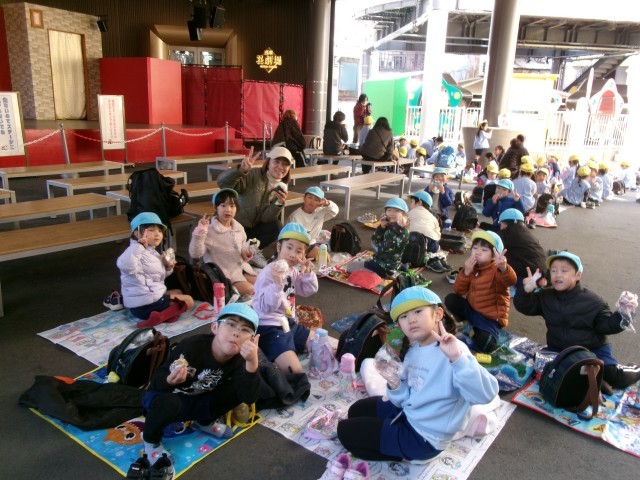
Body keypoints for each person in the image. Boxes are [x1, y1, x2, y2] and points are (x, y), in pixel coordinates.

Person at [337, 287, 499, 462]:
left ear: (437, 314)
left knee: (345, 432)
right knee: (355, 410)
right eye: (403, 316)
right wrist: (394, 382)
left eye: (418, 311)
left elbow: (485, 395)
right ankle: (394, 435)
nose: (411, 320)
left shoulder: (454, 351)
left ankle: (407, 456)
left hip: (424, 438)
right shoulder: (414, 349)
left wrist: (457, 359)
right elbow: (404, 398)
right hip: (408, 413)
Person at [141, 303, 261, 471]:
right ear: (215, 327)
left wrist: (252, 362)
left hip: (198, 400)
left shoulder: (242, 360)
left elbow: (248, 397)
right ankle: (151, 441)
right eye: (231, 324)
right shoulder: (191, 347)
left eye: (245, 330)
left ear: (252, 340)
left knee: (237, 389)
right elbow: (155, 382)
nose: (236, 333)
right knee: (168, 403)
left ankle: (203, 422)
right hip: (168, 398)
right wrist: (169, 380)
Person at [514, 251, 640, 389]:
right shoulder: (545, 296)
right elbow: (525, 307)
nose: (558, 275)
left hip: (592, 349)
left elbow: (607, 326)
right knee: (543, 371)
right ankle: (593, 380)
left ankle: (636, 370)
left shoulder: (593, 301)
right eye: (554, 270)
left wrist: (624, 314)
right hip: (559, 349)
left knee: (614, 376)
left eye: (564, 270)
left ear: (578, 275)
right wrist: (525, 290)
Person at [252, 223, 318, 374]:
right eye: (289, 247)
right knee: (295, 371)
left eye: (299, 251)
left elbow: (308, 290)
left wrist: (307, 273)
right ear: (278, 247)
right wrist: (277, 284)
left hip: (287, 322)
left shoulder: (292, 270)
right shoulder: (268, 273)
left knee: (321, 345)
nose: (293, 254)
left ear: (303, 255)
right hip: (268, 327)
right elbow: (266, 308)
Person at [117, 212, 194, 328]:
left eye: (159, 231)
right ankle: (160, 317)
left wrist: (168, 267)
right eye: (151, 230)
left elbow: (156, 276)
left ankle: (167, 314)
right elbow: (127, 266)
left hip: (147, 299)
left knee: (178, 292)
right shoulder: (134, 251)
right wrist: (139, 246)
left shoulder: (151, 251)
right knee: (189, 301)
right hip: (144, 305)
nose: (157, 234)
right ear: (137, 233)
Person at [445, 230, 517, 352]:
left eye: (484, 250)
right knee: (451, 299)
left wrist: (504, 268)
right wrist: (466, 272)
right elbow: (458, 291)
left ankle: (479, 330)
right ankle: (470, 324)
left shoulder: (497, 270)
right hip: (472, 310)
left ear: (494, 255)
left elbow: (511, 280)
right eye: (475, 248)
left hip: (489, 318)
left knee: (486, 344)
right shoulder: (471, 267)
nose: (478, 252)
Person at [217, 146, 292, 261]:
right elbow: (222, 183)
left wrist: (278, 203)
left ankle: (251, 251)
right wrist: (241, 170)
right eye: (276, 162)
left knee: (277, 227)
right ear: (268, 163)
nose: (280, 167)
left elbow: (265, 218)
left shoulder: (281, 187)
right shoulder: (252, 175)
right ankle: (240, 253)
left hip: (253, 229)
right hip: (235, 227)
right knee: (231, 254)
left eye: (285, 164)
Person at [189, 189, 256, 297]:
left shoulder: (239, 228)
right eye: (223, 205)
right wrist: (200, 232)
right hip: (224, 275)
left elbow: (242, 249)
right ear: (215, 207)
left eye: (232, 206)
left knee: (263, 283)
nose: (228, 210)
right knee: (251, 290)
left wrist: (246, 253)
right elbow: (195, 253)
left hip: (241, 269)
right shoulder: (209, 230)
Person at [496, 209, 547, 290]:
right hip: (543, 268)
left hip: (528, 272)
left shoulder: (504, 233)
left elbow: (492, 245)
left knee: (498, 258)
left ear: (503, 223)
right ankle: (538, 281)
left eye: (500, 224)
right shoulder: (527, 233)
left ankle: (521, 282)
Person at [288, 186, 339, 259]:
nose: (312, 201)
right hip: (299, 245)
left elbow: (334, 211)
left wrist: (327, 203)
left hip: (314, 242)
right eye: (309, 197)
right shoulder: (295, 216)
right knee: (322, 257)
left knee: (326, 256)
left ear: (320, 203)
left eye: (316, 200)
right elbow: (292, 237)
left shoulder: (320, 211)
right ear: (304, 198)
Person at [407, 191, 451, 273]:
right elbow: (438, 232)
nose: (410, 205)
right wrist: (436, 241)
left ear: (420, 202)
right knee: (436, 248)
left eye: (412, 202)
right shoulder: (433, 217)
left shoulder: (410, 213)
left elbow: (404, 226)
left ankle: (428, 259)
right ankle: (435, 258)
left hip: (414, 240)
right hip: (430, 241)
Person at [365, 198, 410, 278]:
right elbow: (374, 240)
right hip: (389, 262)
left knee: (356, 266)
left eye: (396, 211)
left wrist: (396, 228)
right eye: (389, 210)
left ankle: (389, 273)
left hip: (385, 267)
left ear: (403, 214)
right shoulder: (389, 225)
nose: (392, 213)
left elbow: (383, 248)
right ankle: (401, 267)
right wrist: (381, 228)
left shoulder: (403, 231)